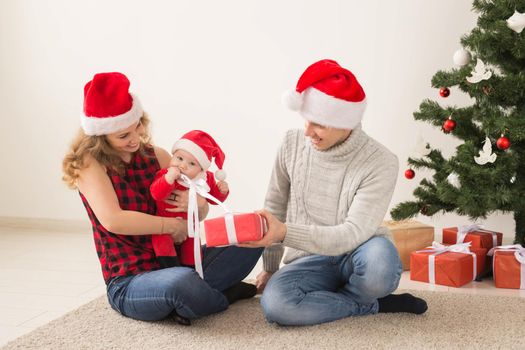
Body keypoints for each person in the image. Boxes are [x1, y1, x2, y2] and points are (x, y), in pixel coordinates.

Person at [62, 72, 262, 326]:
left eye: (138, 126)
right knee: (180, 283)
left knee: (254, 233)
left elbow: (195, 217)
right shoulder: (89, 165)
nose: (135, 138)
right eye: (123, 136)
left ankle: (194, 299)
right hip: (131, 279)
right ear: (100, 137)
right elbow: (114, 220)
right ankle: (221, 296)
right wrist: (168, 226)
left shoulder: (158, 156)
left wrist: (197, 205)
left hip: (182, 262)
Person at [240, 59, 428, 326]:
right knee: (277, 305)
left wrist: (284, 231)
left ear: (346, 123)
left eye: (319, 124)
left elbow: (352, 234)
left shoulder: (381, 161)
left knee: (380, 269)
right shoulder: (291, 144)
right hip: (308, 260)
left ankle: (354, 297)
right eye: (306, 120)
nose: (308, 132)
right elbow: (274, 206)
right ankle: (367, 305)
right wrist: (270, 267)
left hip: (360, 251)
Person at [150, 129, 230, 268]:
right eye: (179, 158)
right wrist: (169, 178)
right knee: (161, 242)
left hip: (190, 227)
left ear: (201, 169)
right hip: (165, 226)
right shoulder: (165, 174)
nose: (182, 166)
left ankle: (192, 270)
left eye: (192, 164)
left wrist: (222, 191)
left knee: (193, 248)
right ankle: (171, 268)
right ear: (173, 155)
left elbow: (214, 199)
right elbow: (157, 194)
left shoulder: (205, 179)